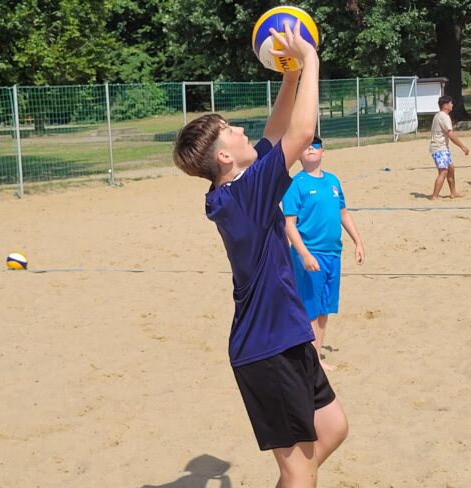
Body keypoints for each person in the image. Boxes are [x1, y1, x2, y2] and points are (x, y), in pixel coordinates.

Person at [172, 21, 347, 488]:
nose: (241, 129)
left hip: (285, 336)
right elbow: (301, 132)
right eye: (230, 130)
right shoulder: (245, 195)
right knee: (299, 469)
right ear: (224, 157)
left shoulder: (239, 187)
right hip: (266, 350)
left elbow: (274, 134)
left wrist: (289, 77)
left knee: (332, 429)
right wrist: (310, 60)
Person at [282, 136, 365, 372]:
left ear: (323, 152)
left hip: (333, 253)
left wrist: (358, 241)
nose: (311, 149)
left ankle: (316, 356)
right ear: (299, 155)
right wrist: (304, 255)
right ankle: (310, 361)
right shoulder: (295, 184)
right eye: (306, 146)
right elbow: (289, 224)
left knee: (324, 308)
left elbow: (343, 214)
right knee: (310, 308)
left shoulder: (333, 181)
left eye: (316, 146)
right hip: (310, 254)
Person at [429, 95, 469, 200]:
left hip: (442, 147)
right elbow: (451, 135)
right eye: (450, 103)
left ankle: (453, 192)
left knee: (451, 169)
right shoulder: (444, 116)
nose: (452, 105)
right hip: (439, 148)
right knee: (443, 171)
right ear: (445, 105)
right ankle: (435, 196)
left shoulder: (438, 115)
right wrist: (463, 147)